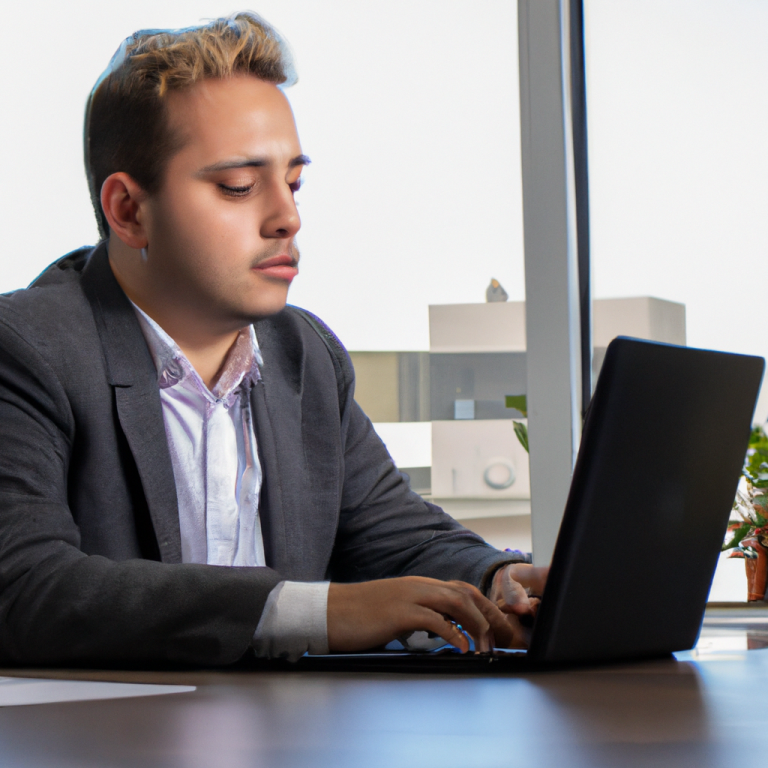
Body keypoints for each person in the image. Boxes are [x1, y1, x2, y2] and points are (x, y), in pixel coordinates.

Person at [0, 12, 547, 666]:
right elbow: (23, 586)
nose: (287, 217)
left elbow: (396, 538)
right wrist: (318, 611)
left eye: (292, 182)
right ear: (128, 210)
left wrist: (496, 581)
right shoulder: (25, 348)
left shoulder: (303, 354)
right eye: (238, 186)